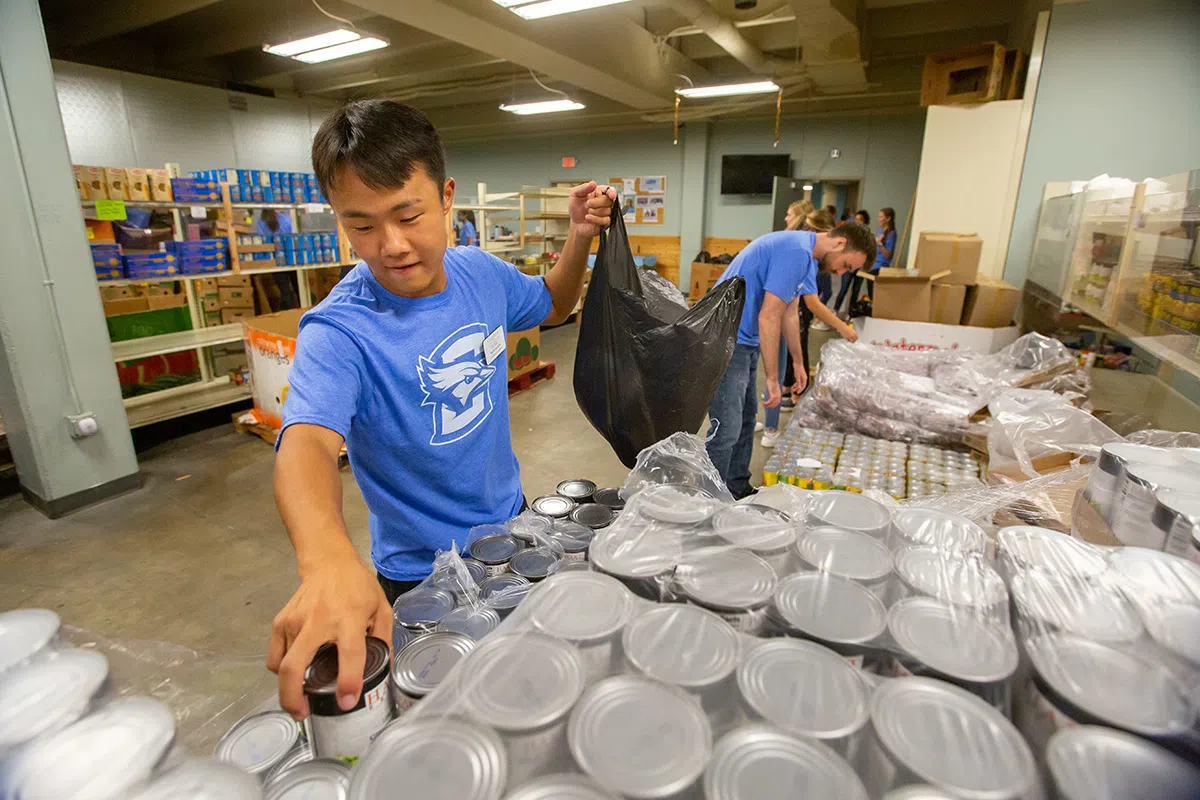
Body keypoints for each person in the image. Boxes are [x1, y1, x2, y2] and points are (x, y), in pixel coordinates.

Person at [267, 100, 615, 720]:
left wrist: (581, 238)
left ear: (447, 195)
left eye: (408, 215)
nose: (392, 246)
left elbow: (554, 305)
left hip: (512, 533)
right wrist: (325, 560)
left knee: (526, 701)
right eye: (362, 225)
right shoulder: (341, 329)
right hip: (416, 577)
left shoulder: (480, 273)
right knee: (446, 720)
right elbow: (307, 443)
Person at [706, 221, 876, 498]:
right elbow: (769, 316)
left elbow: (790, 313)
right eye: (845, 265)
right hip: (726, 340)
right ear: (840, 243)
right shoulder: (795, 251)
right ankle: (708, 500)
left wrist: (798, 362)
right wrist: (772, 379)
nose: (840, 272)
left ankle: (736, 486)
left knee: (747, 420)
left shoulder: (808, 258)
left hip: (743, 342)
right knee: (727, 429)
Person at [761, 208, 836, 447]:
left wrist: (798, 362)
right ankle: (771, 428)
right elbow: (786, 311)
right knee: (772, 372)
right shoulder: (800, 253)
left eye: (790, 213)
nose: (786, 216)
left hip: (774, 319)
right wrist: (843, 328)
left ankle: (764, 419)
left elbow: (792, 309)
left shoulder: (796, 250)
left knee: (768, 371)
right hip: (770, 320)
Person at [258, 209, 299, 309]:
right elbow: (293, 235)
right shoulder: (285, 218)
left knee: (285, 290)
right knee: (299, 289)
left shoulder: (262, 221)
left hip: (275, 261)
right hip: (291, 257)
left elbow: (261, 241)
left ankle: (287, 316)